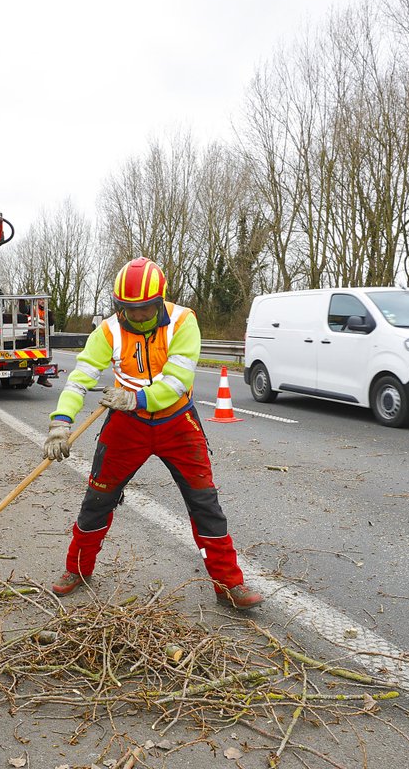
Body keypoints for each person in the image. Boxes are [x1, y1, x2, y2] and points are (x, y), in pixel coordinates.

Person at [42, 257, 263, 610]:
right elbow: (80, 377)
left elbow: (178, 381)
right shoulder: (109, 330)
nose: (138, 316)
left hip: (177, 423)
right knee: (97, 500)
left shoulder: (182, 321)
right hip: (126, 428)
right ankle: (77, 570)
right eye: (129, 309)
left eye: (145, 309)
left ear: (159, 300)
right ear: (119, 306)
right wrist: (60, 423)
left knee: (205, 504)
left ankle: (228, 584)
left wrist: (136, 398)